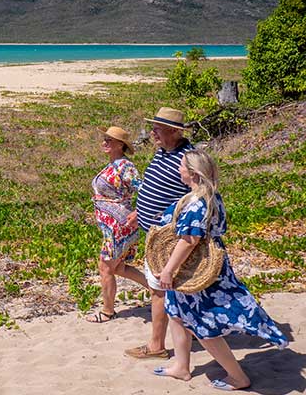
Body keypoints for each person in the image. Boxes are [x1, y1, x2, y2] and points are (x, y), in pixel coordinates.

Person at [152, 149, 288, 390]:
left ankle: (238, 377)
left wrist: (168, 270)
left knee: (204, 325)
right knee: (175, 312)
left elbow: (189, 241)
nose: (178, 169)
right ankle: (181, 367)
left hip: (199, 270)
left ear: (192, 172)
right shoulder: (210, 195)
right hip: (200, 266)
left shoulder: (197, 202)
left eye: (181, 166)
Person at [125, 107, 195, 359]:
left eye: (158, 128)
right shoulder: (163, 152)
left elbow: (197, 194)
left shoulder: (188, 158)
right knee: (166, 289)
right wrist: (139, 212)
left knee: (159, 290)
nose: (152, 132)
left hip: (169, 239)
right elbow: (155, 187)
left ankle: (156, 346)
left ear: (175, 131)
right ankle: (183, 334)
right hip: (154, 234)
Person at [86, 126, 149, 323]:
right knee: (118, 268)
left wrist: (139, 211)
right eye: (105, 139)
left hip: (120, 224)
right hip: (112, 224)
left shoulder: (124, 167)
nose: (104, 143)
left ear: (120, 145)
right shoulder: (112, 165)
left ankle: (107, 311)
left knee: (105, 267)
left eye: (109, 140)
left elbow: (144, 190)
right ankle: (160, 291)